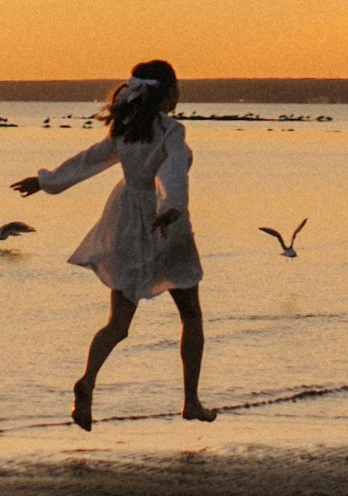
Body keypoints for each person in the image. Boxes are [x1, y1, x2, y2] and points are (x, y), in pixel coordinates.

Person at [11, 59, 214, 431]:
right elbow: (170, 174)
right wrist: (170, 209)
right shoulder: (172, 131)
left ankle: (88, 380)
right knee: (191, 315)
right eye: (176, 88)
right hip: (164, 225)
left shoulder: (125, 131)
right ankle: (191, 401)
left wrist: (47, 182)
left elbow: (89, 161)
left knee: (118, 324)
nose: (179, 95)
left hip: (124, 220)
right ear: (165, 93)